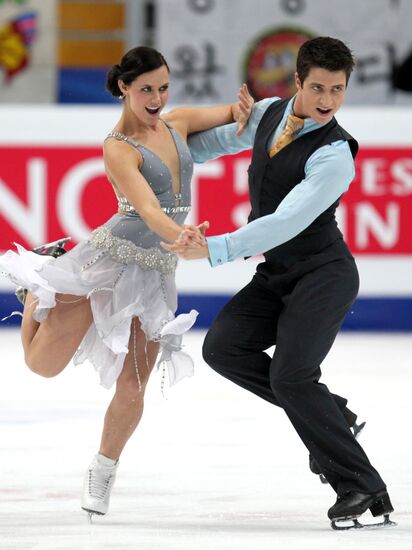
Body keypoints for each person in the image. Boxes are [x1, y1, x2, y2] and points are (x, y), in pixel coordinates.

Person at [0, 46, 254, 519]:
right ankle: (37, 291)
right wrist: (185, 236)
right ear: (124, 88)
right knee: (43, 367)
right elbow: (150, 210)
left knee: (134, 383)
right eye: (146, 90)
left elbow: (229, 113)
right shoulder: (117, 146)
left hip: (156, 273)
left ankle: (103, 470)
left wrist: (242, 111)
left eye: (162, 87)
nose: (156, 98)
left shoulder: (176, 124)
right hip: (106, 262)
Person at [162, 37, 396, 530]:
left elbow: (285, 221)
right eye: (317, 88)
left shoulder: (336, 155)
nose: (327, 100)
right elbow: (210, 146)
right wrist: (155, 156)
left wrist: (215, 248)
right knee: (224, 348)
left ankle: (360, 485)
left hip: (323, 274)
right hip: (279, 274)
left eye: (337, 89)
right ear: (297, 82)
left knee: (292, 376)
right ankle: (332, 414)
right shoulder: (268, 112)